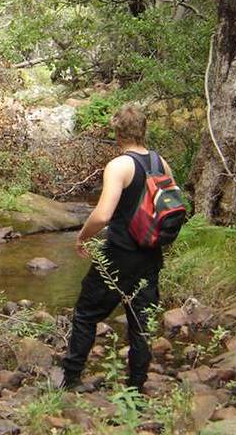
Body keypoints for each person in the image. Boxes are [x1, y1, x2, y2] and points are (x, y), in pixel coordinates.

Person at [61, 104, 172, 393]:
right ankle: (136, 388)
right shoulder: (162, 163)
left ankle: (70, 380)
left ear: (117, 132)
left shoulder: (119, 166)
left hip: (119, 254)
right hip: (150, 254)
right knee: (140, 321)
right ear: (144, 130)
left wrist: (83, 237)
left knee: (86, 313)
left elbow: (102, 215)